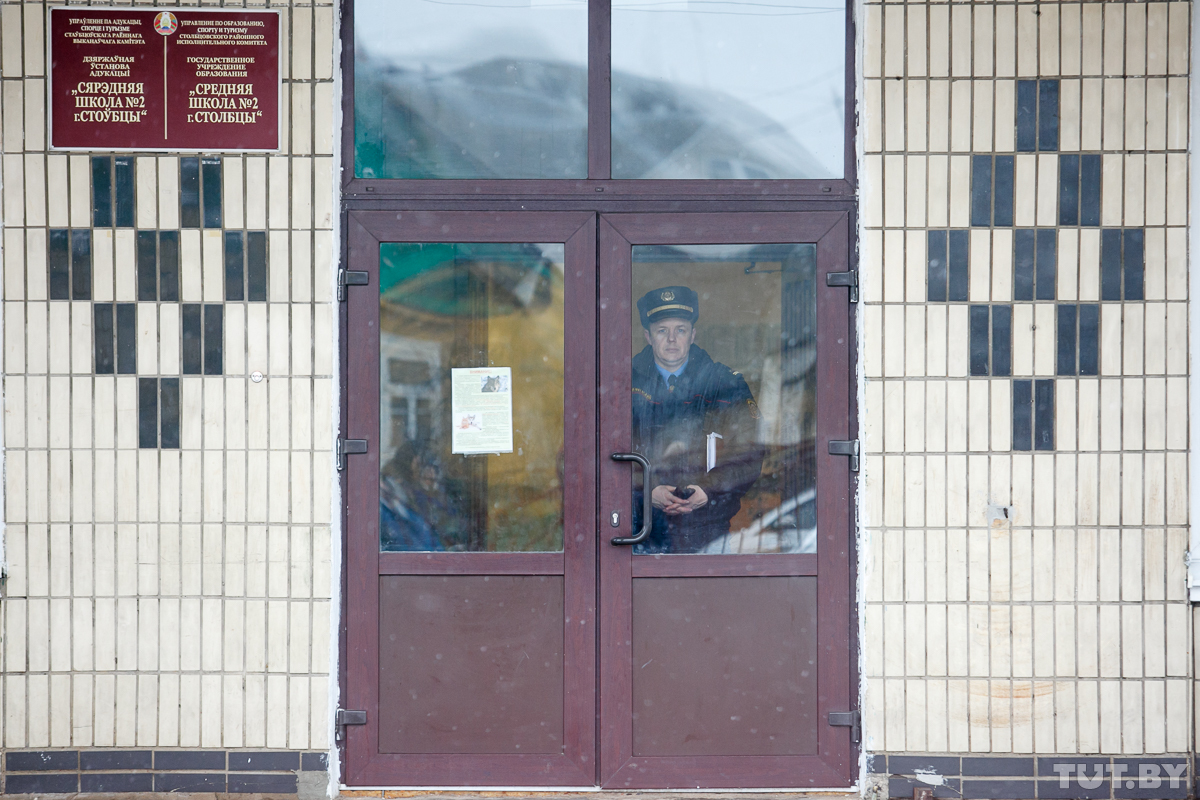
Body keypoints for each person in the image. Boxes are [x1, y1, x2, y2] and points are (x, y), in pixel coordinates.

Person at [631, 286, 764, 553]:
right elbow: (604, 456)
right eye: (662, 330)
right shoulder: (624, 382)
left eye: (680, 330)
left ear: (693, 335)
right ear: (648, 336)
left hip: (708, 530)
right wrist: (646, 492)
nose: (671, 339)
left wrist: (709, 491)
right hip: (639, 532)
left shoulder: (725, 384)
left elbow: (750, 454)